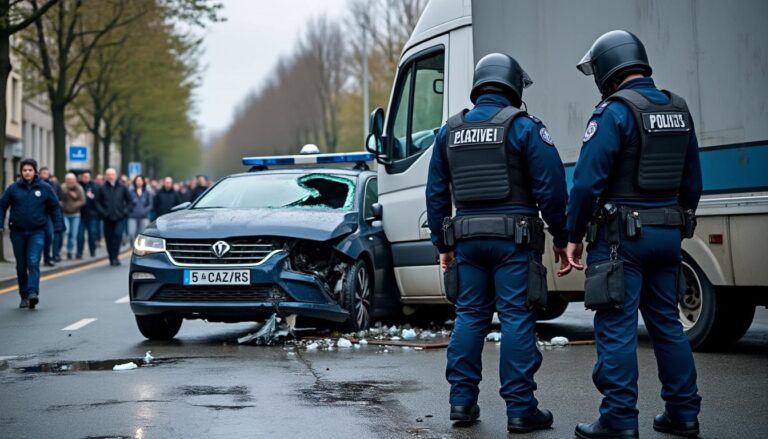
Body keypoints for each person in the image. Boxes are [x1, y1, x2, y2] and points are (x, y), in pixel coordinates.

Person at [566, 30, 702, 439]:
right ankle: (683, 414)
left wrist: (572, 233)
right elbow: (692, 183)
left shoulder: (613, 112)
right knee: (667, 324)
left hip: (620, 241)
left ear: (607, 70)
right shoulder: (678, 109)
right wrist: (675, 222)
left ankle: (619, 419)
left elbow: (587, 183)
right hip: (667, 236)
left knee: (617, 328)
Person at [426, 53, 570, 434]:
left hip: (467, 241)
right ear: (513, 87)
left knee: (469, 316)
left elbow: (436, 193)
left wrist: (443, 244)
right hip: (514, 241)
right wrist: (562, 235)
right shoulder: (523, 127)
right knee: (516, 318)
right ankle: (522, 410)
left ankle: (461, 402)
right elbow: (551, 187)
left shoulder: (450, 131)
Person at [0, 159, 64, 309]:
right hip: (17, 232)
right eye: (24, 170)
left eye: (30, 170)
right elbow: (2, 206)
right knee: (21, 265)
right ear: (21, 172)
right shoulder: (13, 189)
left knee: (33, 261)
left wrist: (58, 225)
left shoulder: (45, 188)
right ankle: (24, 295)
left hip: (37, 231)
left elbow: (55, 208)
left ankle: (33, 293)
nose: (27, 172)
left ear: (35, 171)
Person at [95, 168, 133, 266]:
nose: (110, 176)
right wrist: (103, 212)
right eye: (108, 174)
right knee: (109, 238)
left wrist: (125, 212)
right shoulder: (101, 188)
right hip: (107, 218)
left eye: (112, 174)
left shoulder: (122, 187)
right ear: (105, 176)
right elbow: (97, 202)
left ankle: (115, 256)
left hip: (119, 217)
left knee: (117, 236)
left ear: (116, 175)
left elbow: (130, 202)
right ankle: (111, 257)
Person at [59, 173, 85, 260]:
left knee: (73, 235)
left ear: (75, 180)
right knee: (66, 231)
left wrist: (73, 206)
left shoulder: (79, 188)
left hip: (75, 215)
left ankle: (70, 252)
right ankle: (62, 249)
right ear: (65, 180)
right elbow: (59, 199)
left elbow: (82, 201)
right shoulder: (62, 188)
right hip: (65, 214)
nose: (70, 181)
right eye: (68, 179)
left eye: (72, 179)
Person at [38, 166, 59, 266]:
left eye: (47, 173)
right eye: (43, 173)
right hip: (37, 215)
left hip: (48, 215)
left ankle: (47, 258)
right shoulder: (36, 184)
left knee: (49, 236)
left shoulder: (52, 185)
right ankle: (36, 259)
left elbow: (55, 200)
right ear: (39, 174)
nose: (45, 175)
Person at [76, 171, 99, 259]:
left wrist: (92, 197)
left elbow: (98, 199)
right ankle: (79, 253)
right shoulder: (78, 186)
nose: (85, 178)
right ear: (81, 177)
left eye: (87, 176)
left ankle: (92, 251)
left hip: (92, 215)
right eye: (84, 176)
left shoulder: (94, 186)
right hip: (80, 214)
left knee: (92, 234)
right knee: (80, 235)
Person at [128, 175, 151, 240]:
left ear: (143, 182)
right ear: (135, 182)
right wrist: (130, 210)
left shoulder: (147, 192)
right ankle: (132, 247)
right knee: (131, 234)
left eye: (140, 180)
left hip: (144, 217)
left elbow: (150, 205)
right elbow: (127, 203)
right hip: (132, 216)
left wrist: (145, 211)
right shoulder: (131, 192)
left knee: (143, 236)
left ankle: (139, 249)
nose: (139, 182)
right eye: (137, 180)